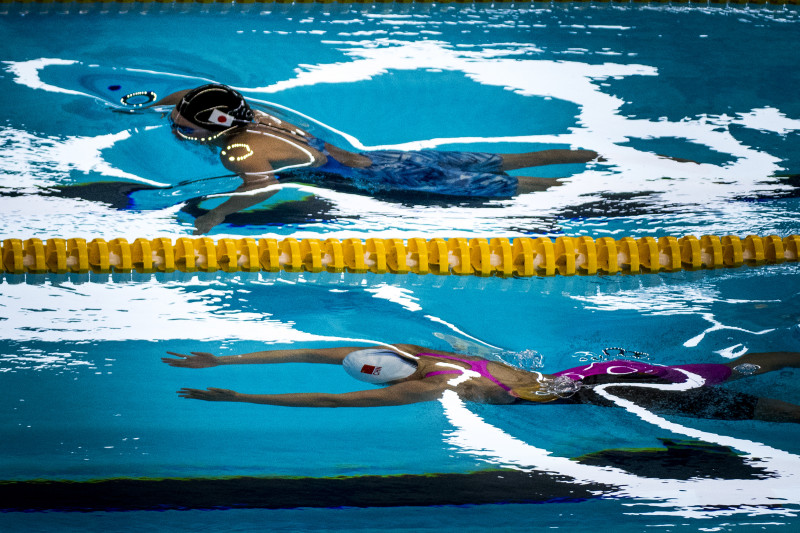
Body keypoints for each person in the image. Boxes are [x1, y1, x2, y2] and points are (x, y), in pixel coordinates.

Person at [147, 84, 603, 233]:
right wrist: (150, 106)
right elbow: (189, 96)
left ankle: (600, 185)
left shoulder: (239, 152)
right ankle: (598, 153)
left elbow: (261, 189)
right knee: (504, 161)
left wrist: (216, 214)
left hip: (381, 180)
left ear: (219, 129)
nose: (176, 125)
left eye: (186, 127)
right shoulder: (253, 116)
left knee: (518, 188)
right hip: (383, 158)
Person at [162, 344, 800, 422]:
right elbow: (312, 357)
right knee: (724, 371)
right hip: (598, 371)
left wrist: (240, 393)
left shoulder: (422, 391)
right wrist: (224, 362)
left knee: (734, 408)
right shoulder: (417, 356)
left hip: (603, 392)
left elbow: (327, 391)